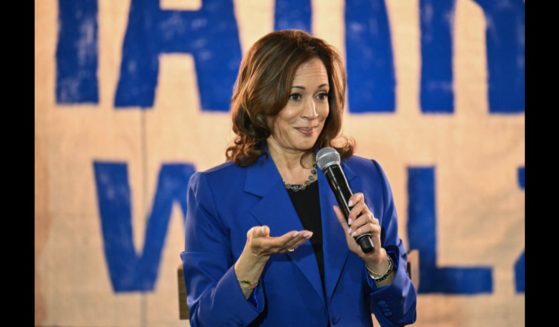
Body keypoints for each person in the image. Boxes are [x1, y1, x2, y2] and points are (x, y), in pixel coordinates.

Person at [180, 29, 417, 326]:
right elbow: (206, 321)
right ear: (262, 103)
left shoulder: (369, 178)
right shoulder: (213, 191)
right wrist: (249, 266)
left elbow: (402, 314)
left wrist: (377, 261)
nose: (313, 112)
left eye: (322, 95)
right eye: (295, 96)